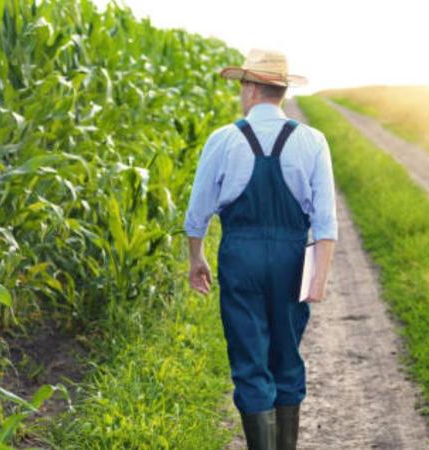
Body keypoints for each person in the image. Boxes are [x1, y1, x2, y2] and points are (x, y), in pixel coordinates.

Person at [183, 49, 337, 450]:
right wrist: (317, 278)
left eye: (242, 86)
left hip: (241, 258)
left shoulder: (224, 139)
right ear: (282, 91)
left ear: (251, 89)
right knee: (287, 358)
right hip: (292, 260)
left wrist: (195, 257)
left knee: (250, 362)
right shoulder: (313, 141)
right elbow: (325, 220)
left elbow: (197, 210)